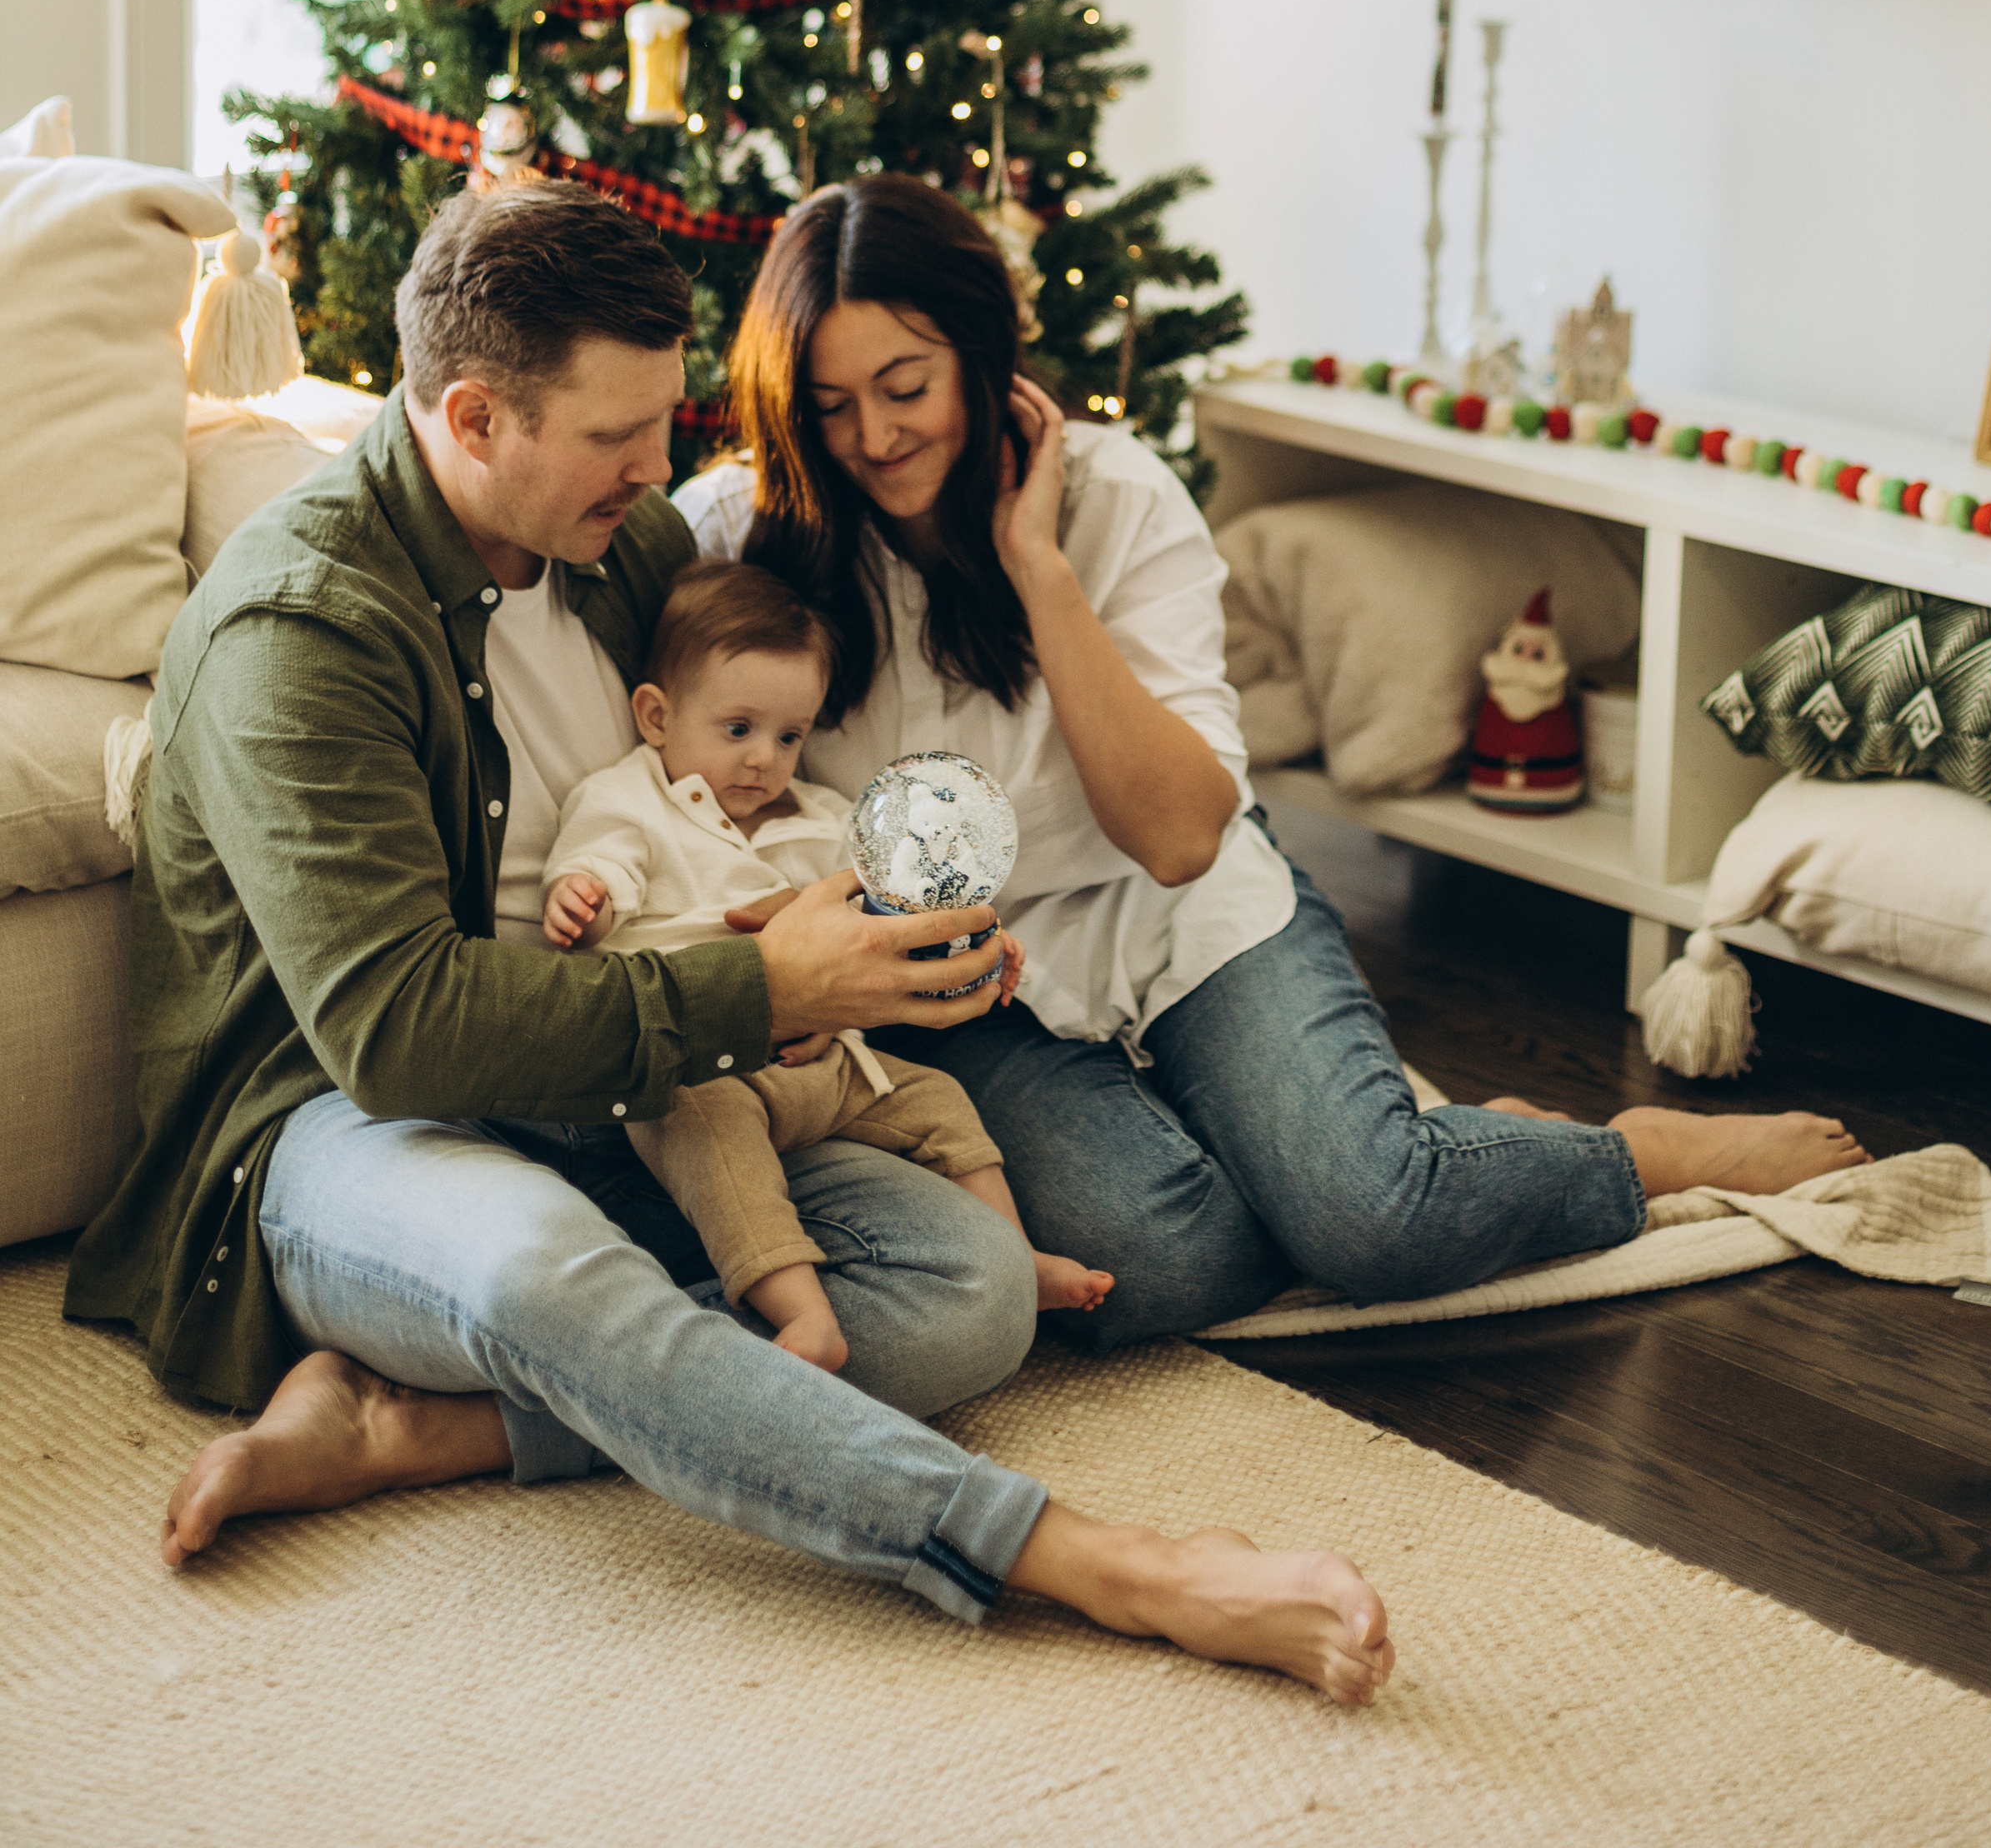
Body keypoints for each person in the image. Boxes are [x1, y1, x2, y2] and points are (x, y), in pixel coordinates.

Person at [61, 182, 1391, 1707]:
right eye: (619, 438)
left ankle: (426, 1425)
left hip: (628, 1080)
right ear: (478, 417)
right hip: (345, 1121)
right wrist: (761, 983)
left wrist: (836, 931)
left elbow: (731, 808)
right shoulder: (304, 632)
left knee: (975, 1284)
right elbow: (397, 1032)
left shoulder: (620, 556)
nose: (667, 470)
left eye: (667, 422)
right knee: (544, 1267)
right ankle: (1096, 1563)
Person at [680, 176, 1871, 1348]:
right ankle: (1387, 1158)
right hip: (965, 997)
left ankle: (1622, 1154)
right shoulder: (743, 535)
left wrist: (1038, 569)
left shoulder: (1114, 501)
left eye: (906, 387)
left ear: (984, 359)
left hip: (1186, 910)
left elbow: (1181, 836)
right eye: (830, 405)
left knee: (1377, 1222)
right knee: (1153, 1268)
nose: (875, 438)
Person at [540, 553, 1113, 1368]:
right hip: (708, 1068)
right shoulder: (629, 801)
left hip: (829, 1063)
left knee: (939, 1098)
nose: (764, 760)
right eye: (737, 730)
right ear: (657, 716)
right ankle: (801, 1312)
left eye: (789, 736)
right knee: (705, 1139)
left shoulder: (823, 819)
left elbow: (897, 916)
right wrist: (581, 898)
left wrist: (977, 942)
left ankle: (1011, 1251)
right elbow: (599, 875)